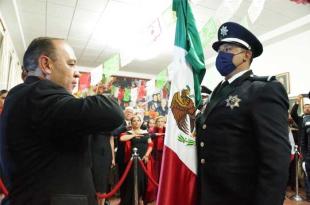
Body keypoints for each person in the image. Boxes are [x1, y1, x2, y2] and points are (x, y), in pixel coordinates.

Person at [0, 37, 124, 205]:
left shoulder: (23, 95)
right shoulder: (40, 94)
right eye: (71, 64)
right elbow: (112, 112)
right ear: (46, 65)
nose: (77, 73)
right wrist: (105, 94)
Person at [196, 22, 290, 205]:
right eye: (220, 50)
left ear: (246, 55)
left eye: (228, 49)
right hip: (209, 193)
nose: (222, 55)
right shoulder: (216, 92)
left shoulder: (263, 90)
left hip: (240, 196)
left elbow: (276, 158)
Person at [119, 115, 153, 205]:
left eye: (138, 120)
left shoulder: (145, 132)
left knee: (144, 180)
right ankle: (135, 199)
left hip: (144, 159)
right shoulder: (128, 132)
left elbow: (150, 145)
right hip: (133, 159)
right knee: (134, 180)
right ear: (131, 122)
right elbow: (122, 138)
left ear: (141, 122)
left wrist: (147, 155)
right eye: (134, 120)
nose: (136, 122)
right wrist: (134, 134)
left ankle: (141, 199)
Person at [291, 95, 310, 200]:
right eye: (305, 107)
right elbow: (293, 113)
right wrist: (297, 102)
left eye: (309, 107)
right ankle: (308, 194)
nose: (307, 108)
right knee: (306, 173)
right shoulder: (301, 119)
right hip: (304, 151)